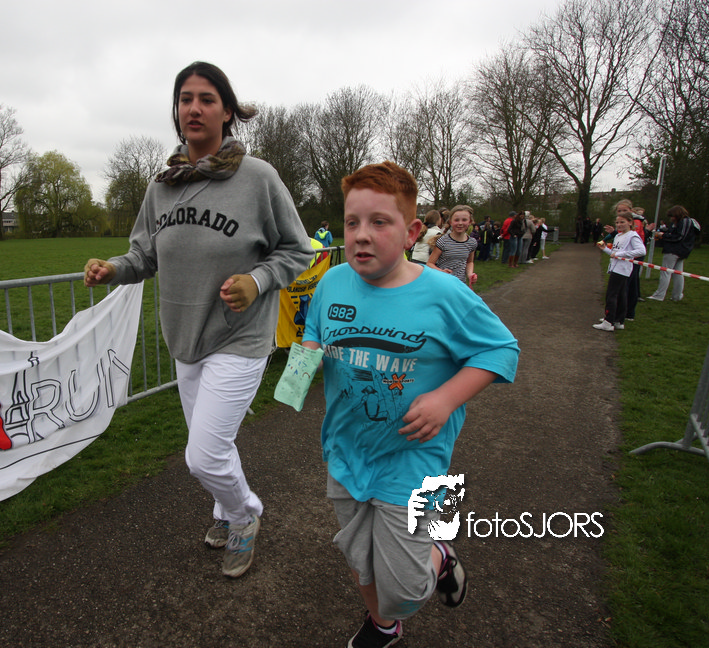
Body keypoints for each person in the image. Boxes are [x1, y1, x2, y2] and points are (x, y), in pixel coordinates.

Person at [83, 61, 313, 578]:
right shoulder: (162, 186)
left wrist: (257, 279)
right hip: (184, 339)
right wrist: (113, 269)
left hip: (240, 336)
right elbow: (143, 256)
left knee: (203, 456)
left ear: (227, 111)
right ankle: (225, 511)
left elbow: (298, 249)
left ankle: (244, 515)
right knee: (213, 446)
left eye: (206, 99)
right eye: (185, 98)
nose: (194, 108)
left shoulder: (257, 178)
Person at [300, 161, 520, 648]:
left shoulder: (444, 293)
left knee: (404, 587)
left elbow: (502, 350)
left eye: (379, 222)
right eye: (352, 222)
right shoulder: (332, 282)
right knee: (361, 560)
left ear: (412, 232)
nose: (361, 234)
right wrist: (306, 359)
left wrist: (445, 398)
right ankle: (384, 626)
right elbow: (315, 328)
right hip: (345, 451)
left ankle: (439, 557)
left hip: (416, 460)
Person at [593, 209, 645, 331]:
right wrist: (605, 249)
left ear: (630, 222)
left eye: (622, 222)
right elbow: (614, 253)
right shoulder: (618, 235)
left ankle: (608, 321)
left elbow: (641, 251)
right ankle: (618, 320)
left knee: (611, 294)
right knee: (621, 295)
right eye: (617, 222)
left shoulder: (632, 235)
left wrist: (621, 254)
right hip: (615, 267)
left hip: (622, 268)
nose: (619, 225)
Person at [647, 205, 698, 302]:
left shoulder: (683, 222)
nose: (671, 219)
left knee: (665, 272)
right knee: (678, 273)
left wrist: (663, 236)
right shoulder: (688, 222)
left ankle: (659, 295)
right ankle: (677, 296)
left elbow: (679, 237)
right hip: (683, 250)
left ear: (677, 215)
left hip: (674, 250)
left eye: (672, 216)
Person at [427, 205, 478, 288]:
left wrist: (470, 275)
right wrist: (441, 271)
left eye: (464, 220)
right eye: (456, 220)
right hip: (443, 284)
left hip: (460, 285)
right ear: (450, 222)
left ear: (470, 221)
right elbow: (430, 263)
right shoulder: (443, 241)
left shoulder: (472, 242)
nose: (460, 223)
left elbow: (469, 262)